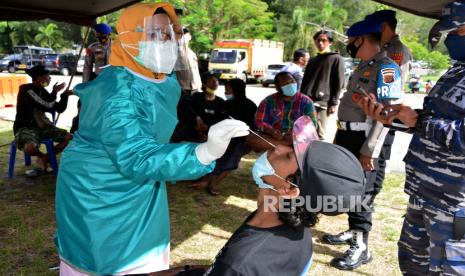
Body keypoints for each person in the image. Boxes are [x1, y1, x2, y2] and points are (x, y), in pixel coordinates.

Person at [54, 3, 249, 275]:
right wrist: (202, 153)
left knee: (144, 251)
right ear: (131, 37)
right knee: (109, 257)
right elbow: (136, 155)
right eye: (155, 33)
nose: (167, 41)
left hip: (142, 180)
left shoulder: (159, 79)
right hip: (101, 188)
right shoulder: (116, 91)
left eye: (169, 34)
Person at [147, 117, 366, 276]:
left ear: (289, 189)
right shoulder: (281, 223)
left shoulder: (242, 260)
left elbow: (232, 268)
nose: (277, 148)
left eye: (288, 154)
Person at [355, 2, 465, 274]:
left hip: (453, 202)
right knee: (413, 264)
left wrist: (419, 121)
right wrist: (396, 117)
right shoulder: (456, 70)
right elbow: (435, 118)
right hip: (423, 191)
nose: (452, 38)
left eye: (459, 31)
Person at [322, 19, 403, 270]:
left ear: (362, 39)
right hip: (347, 135)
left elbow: (386, 114)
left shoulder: (387, 67)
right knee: (350, 190)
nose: (349, 46)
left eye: (350, 42)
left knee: (362, 195)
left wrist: (369, 149)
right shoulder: (363, 67)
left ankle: (361, 247)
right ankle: (352, 232)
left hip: (364, 139)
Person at [364, 9, 414, 238]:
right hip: (372, 116)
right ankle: (357, 221)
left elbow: (391, 91)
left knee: (373, 167)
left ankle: (363, 222)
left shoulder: (396, 51)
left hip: (386, 119)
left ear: (383, 26)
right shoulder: (382, 49)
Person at [13, 64, 73, 171]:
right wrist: (54, 92)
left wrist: (64, 96)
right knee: (30, 148)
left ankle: (45, 159)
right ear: (39, 77)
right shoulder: (26, 89)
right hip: (26, 127)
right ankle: (43, 157)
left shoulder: (43, 91)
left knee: (68, 137)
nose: (50, 78)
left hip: (43, 127)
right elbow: (47, 104)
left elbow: (59, 109)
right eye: (47, 75)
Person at [205, 78, 257, 195]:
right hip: (224, 138)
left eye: (228, 90)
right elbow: (216, 121)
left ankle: (214, 181)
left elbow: (252, 128)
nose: (225, 92)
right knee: (217, 150)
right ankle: (209, 175)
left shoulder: (250, 106)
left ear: (236, 90)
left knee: (234, 153)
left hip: (241, 140)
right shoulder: (226, 104)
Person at [248, 71, 317, 152]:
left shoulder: (306, 102)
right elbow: (259, 121)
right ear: (277, 87)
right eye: (285, 83)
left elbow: (312, 124)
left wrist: (295, 134)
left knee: (307, 140)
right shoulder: (268, 101)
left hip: (296, 138)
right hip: (274, 137)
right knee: (251, 138)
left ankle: (280, 146)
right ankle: (286, 146)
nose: (290, 84)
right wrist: (271, 132)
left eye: (292, 81)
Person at [301, 30, 345, 140]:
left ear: (330, 42)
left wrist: (333, 103)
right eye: (318, 40)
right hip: (306, 100)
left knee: (319, 134)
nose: (320, 43)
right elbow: (305, 81)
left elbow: (338, 82)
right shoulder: (313, 60)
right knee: (305, 133)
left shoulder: (336, 58)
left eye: (324, 40)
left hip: (322, 103)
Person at [175, 28, 202, 97]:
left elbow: (196, 71)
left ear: (189, 36)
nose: (183, 37)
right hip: (183, 88)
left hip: (195, 88)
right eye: (181, 36)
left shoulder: (192, 53)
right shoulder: (176, 52)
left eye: (185, 35)